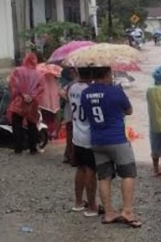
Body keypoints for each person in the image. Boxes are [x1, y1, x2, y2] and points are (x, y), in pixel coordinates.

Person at [81, 67, 141, 228]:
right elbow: (129, 111)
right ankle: (127, 211)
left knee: (104, 177)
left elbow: (86, 116)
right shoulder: (115, 91)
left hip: (97, 141)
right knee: (128, 174)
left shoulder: (85, 94)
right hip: (117, 139)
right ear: (107, 75)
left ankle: (109, 212)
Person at [68, 68, 103, 217]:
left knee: (80, 168)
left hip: (76, 134)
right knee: (90, 170)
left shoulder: (72, 88)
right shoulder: (90, 91)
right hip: (89, 135)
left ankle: (78, 202)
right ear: (92, 74)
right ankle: (92, 205)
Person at [7, 52, 45, 155]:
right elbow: (41, 88)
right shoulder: (39, 74)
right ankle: (33, 148)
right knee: (32, 124)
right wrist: (32, 96)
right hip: (32, 103)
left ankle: (18, 148)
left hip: (19, 100)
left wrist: (23, 94)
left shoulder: (18, 71)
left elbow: (13, 84)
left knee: (17, 124)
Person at [60, 67, 78, 165]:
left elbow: (61, 92)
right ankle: (71, 157)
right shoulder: (80, 85)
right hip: (75, 115)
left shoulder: (70, 85)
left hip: (70, 114)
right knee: (72, 136)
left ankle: (68, 156)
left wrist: (67, 98)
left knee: (70, 135)